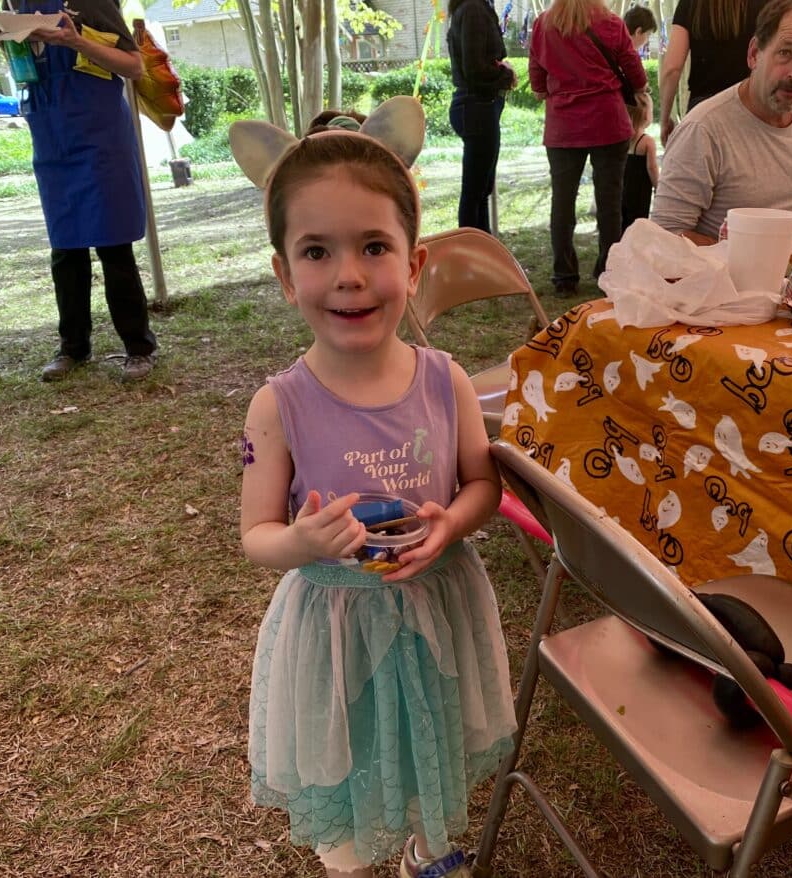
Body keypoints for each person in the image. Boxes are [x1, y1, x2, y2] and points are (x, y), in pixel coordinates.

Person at [229, 100, 516, 878]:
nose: (349, 275)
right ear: (285, 275)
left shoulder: (446, 381)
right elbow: (257, 535)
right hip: (334, 632)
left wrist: (452, 523)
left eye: (374, 247)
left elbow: (483, 484)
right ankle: (352, 861)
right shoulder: (278, 407)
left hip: (436, 612)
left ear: (414, 266)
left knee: (431, 736)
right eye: (316, 251)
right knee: (349, 750)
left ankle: (426, 842)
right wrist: (301, 541)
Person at [0, 1, 157, 383]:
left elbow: (134, 66)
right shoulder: (16, 4)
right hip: (51, 135)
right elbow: (28, 64)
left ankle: (139, 348)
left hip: (99, 135)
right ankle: (73, 348)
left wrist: (75, 41)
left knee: (114, 245)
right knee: (65, 248)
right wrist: (5, 39)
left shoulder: (90, 3)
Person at [652, 0, 792, 244]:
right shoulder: (702, 130)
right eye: (785, 53)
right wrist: (753, 257)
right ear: (754, 54)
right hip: (721, 269)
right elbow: (664, 234)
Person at [529, 0, 647, 294]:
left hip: (563, 126)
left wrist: (552, 87)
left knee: (562, 201)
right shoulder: (610, 22)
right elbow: (637, 75)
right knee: (610, 203)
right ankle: (608, 271)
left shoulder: (544, 24)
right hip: (607, 121)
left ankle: (564, 276)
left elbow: (537, 79)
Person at [447, 0, 517, 232]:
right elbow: (475, 67)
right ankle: (470, 248)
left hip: (478, 106)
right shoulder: (473, 10)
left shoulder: (473, 8)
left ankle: (482, 245)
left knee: (481, 191)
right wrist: (506, 75)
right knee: (475, 192)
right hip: (477, 107)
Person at [659, 0, 769, 146]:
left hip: (702, 111)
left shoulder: (690, 4)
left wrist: (664, 119)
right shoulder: (763, 4)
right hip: (748, 107)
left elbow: (672, 68)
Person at [621, 93, 659, 232]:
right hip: (640, 191)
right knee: (638, 222)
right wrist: (658, 186)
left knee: (623, 221)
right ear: (646, 115)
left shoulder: (623, 139)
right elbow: (652, 167)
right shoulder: (647, 141)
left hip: (623, 187)